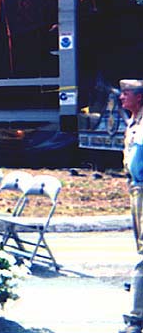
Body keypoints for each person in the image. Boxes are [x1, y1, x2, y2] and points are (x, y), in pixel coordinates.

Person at [119, 79, 143, 333]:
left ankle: (135, 318)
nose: (121, 98)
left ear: (139, 97)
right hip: (136, 189)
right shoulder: (133, 121)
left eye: (126, 94)